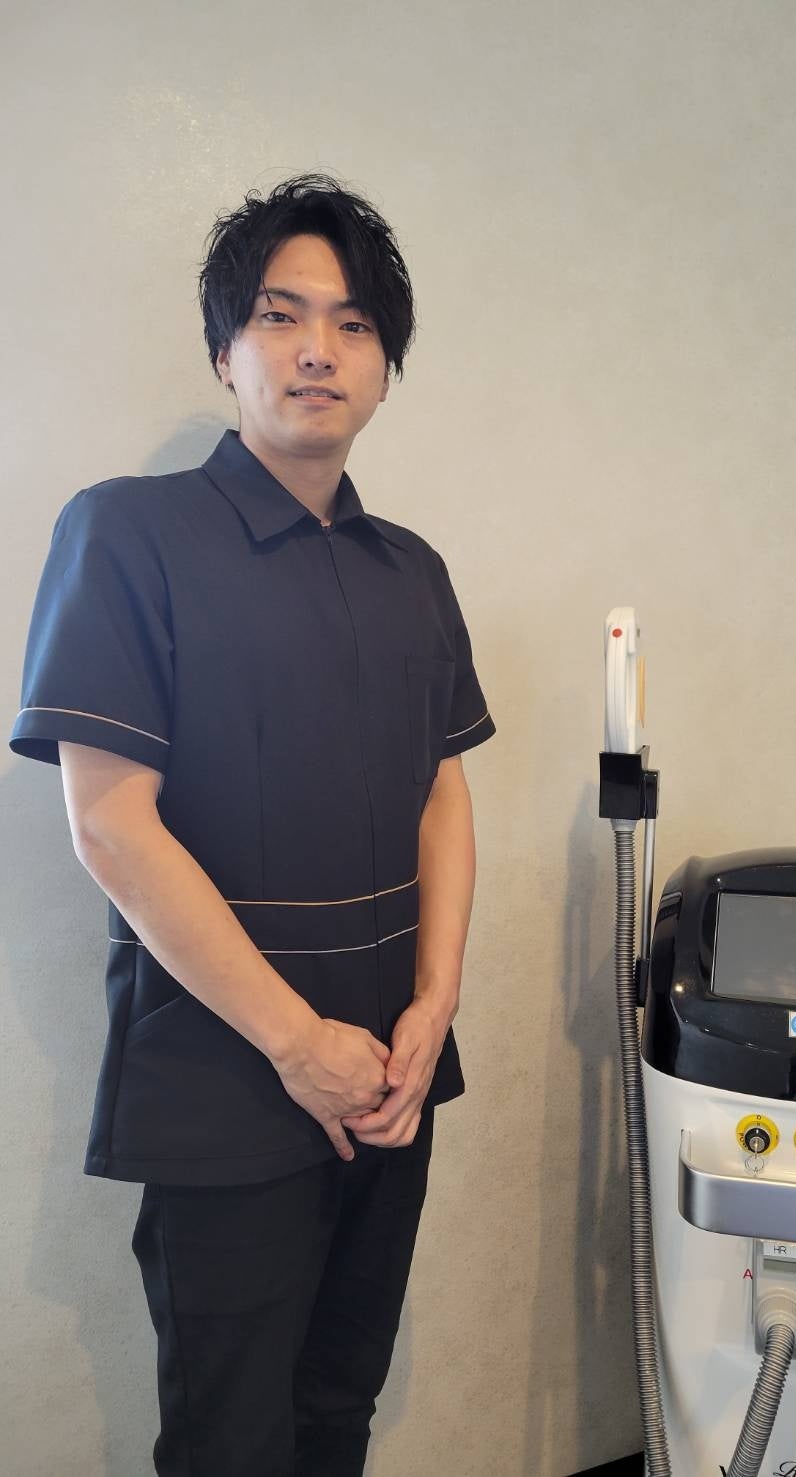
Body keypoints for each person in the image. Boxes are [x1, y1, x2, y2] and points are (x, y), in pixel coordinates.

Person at [9, 174, 494, 1477]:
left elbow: (442, 791)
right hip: (227, 1078)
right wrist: (295, 1042)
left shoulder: (413, 571)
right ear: (226, 351)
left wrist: (435, 1004)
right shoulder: (129, 533)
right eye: (281, 316)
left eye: (353, 324)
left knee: (339, 1406)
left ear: (385, 367)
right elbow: (111, 825)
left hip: (391, 1074)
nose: (318, 349)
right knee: (230, 1442)